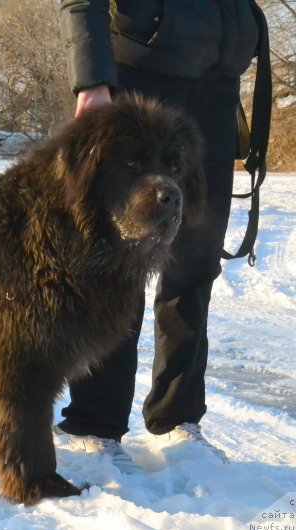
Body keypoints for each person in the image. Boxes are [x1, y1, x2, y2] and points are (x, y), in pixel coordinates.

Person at [55, 0, 267, 473]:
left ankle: (178, 418)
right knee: (115, 260)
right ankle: (93, 422)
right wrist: (92, 79)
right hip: (138, 77)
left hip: (218, 80)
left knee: (195, 260)